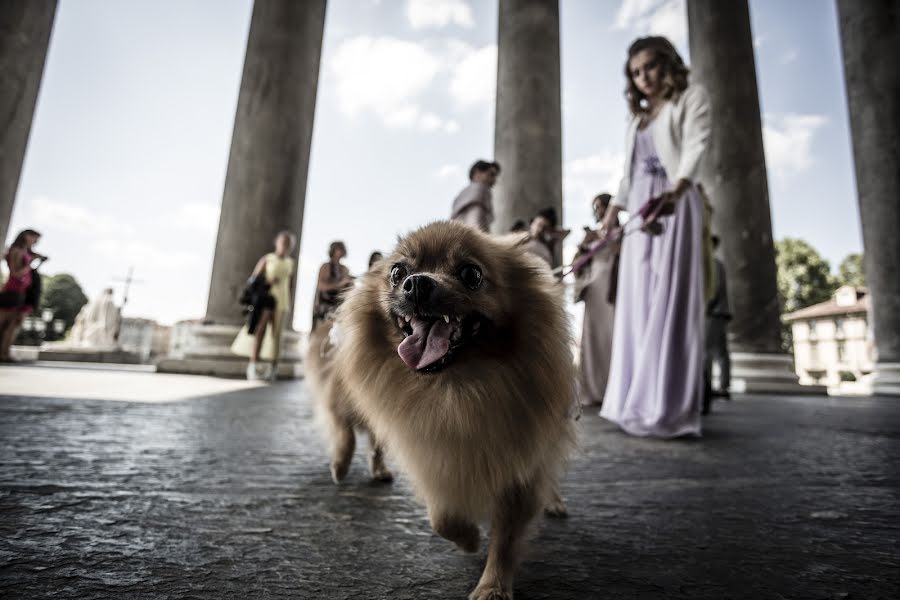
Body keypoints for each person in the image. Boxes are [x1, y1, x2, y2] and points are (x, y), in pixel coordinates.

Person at [597, 36, 711, 437]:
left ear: (668, 65)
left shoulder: (690, 99)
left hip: (674, 203)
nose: (644, 77)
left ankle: (667, 407)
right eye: (636, 72)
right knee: (637, 301)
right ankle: (633, 399)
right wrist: (613, 213)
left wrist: (677, 191)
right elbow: (629, 176)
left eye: (650, 67)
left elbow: (697, 147)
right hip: (640, 212)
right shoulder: (636, 120)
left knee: (671, 300)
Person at [574, 194, 621, 406]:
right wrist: (584, 244)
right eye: (596, 207)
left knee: (611, 336)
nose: (599, 211)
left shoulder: (621, 232)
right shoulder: (592, 235)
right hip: (592, 288)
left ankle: (613, 389)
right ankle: (592, 389)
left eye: (601, 206)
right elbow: (576, 265)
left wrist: (607, 242)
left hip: (613, 286)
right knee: (592, 338)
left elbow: (622, 255)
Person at [231, 231, 297, 381]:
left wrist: (290, 302)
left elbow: (290, 285)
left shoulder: (290, 263)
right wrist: (267, 280)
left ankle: (273, 368)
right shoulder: (268, 259)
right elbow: (253, 279)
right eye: (283, 242)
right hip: (267, 298)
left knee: (277, 334)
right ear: (277, 243)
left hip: (282, 301)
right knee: (260, 329)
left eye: (289, 244)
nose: (286, 246)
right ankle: (253, 365)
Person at [0, 229, 46, 362]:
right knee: (6, 324)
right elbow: (16, 273)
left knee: (13, 324)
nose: (36, 242)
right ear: (26, 236)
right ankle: (3, 354)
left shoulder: (26, 252)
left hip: (21, 291)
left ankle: (5, 353)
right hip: (12, 290)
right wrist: (31, 263)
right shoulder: (16, 250)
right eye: (35, 238)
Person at [704, 235, 731, 413]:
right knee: (721, 351)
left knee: (707, 351)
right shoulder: (718, 263)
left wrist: (706, 306)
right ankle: (723, 386)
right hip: (721, 312)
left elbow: (714, 289)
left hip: (714, 312)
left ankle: (709, 387)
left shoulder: (713, 263)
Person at [311, 241, 353, 332]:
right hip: (322, 309)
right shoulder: (325, 267)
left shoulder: (344, 269)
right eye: (339, 249)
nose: (341, 251)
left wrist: (349, 283)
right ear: (333, 250)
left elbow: (348, 289)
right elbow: (321, 286)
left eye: (342, 249)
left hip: (336, 309)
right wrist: (339, 284)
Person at [450, 159, 500, 232]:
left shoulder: (460, 195)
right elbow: (475, 220)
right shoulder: (481, 188)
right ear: (477, 173)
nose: (494, 180)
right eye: (491, 174)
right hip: (473, 238)